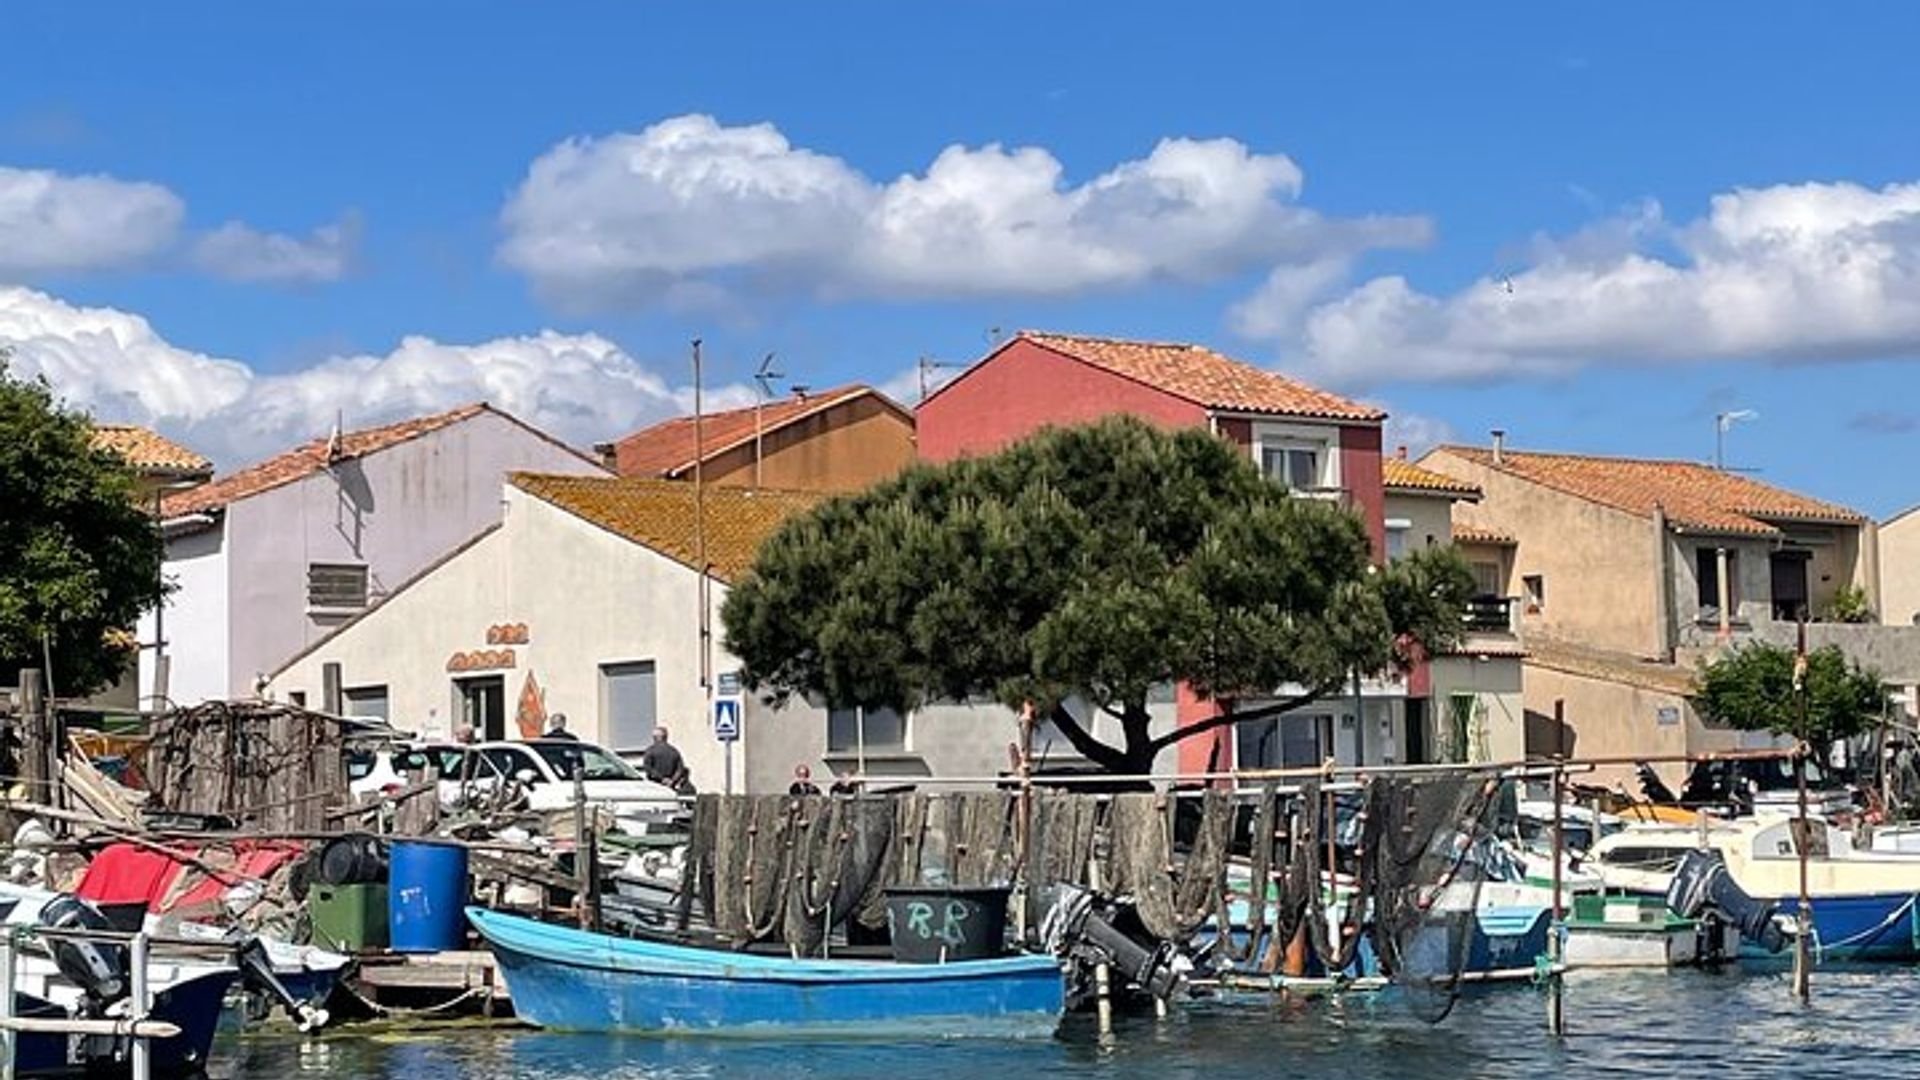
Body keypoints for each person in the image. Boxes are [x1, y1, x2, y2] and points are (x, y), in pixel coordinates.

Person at [641, 726, 691, 792]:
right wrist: (672, 780)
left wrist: (662, 779)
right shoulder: (674, 751)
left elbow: (648, 768)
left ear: (655, 738)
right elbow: (680, 769)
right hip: (671, 787)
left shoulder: (650, 751)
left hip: (655, 787)